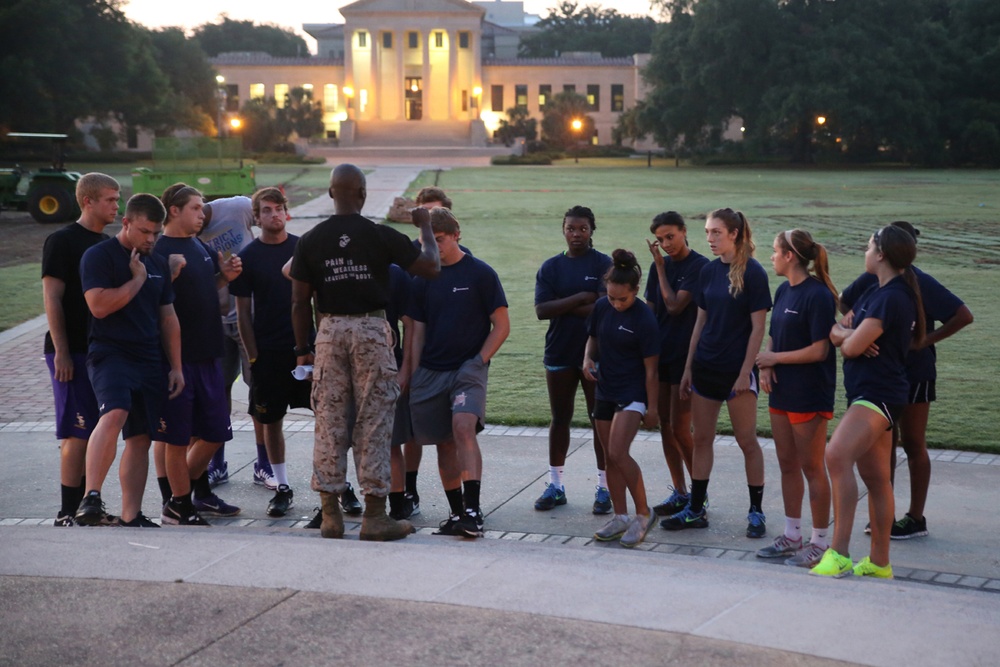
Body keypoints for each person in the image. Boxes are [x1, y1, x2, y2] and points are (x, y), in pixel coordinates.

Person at [290, 164, 439, 541]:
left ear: (329, 192)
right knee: (373, 420)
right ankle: (375, 515)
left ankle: (330, 515)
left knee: (329, 421)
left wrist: (302, 350)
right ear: (362, 194)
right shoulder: (379, 235)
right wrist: (423, 226)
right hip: (371, 330)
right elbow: (431, 267)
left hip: (329, 331)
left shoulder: (310, 240)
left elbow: (298, 301)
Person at [839, 221, 973, 540]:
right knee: (883, 444)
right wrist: (856, 327)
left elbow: (963, 315)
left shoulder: (920, 283)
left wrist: (925, 340)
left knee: (913, 443)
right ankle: (882, 514)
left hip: (915, 372)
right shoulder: (874, 280)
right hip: (885, 372)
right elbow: (845, 300)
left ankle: (915, 517)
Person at [812, 225, 923, 578]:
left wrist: (850, 336)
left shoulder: (892, 297)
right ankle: (879, 562)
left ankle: (839, 552)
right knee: (876, 477)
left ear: (881, 255)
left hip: (879, 394)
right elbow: (837, 333)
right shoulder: (876, 292)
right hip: (870, 392)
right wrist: (849, 334)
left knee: (836, 454)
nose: (865, 250)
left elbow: (851, 346)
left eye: (868, 245)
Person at [661, 208, 772, 538]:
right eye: (707, 232)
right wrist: (688, 368)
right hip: (705, 368)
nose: (709, 238)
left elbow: (757, 328)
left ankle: (755, 511)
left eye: (716, 233)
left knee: (746, 441)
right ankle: (696, 509)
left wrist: (744, 373)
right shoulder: (708, 272)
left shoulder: (753, 273)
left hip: (736, 374)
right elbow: (700, 322)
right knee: (702, 440)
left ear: (734, 234)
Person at [75, 194, 182, 527]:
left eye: (156, 233)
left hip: (149, 356)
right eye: (144, 231)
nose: (150, 239)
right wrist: (136, 279)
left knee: (141, 437)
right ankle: (91, 496)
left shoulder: (158, 261)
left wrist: (176, 366)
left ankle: (130, 515)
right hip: (111, 352)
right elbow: (99, 306)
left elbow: (168, 317)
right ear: (126, 223)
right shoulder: (99, 256)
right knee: (115, 411)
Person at [408, 207, 509, 539]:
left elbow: (502, 325)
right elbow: (417, 331)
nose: (435, 249)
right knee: (443, 444)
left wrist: (478, 360)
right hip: (431, 370)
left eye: (440, 241)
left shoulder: (480, 273)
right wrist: (412, 371)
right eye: (430, 243)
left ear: (456, 235)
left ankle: (472, 510)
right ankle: (455, 513)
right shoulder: (423, 278)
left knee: (463, 427)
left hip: (469, 368)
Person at [152, 184, 242, 526]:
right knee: (176, 437)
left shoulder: (200, 246)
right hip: (178, 358)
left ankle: (179, 497)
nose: (202, 214)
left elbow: (204, 288)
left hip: (209, 354)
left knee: (216, 432)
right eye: (195, 207)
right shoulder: (159, 250)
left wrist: (225, 277)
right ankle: (178, 504)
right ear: (174, 211)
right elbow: (154, 302)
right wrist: (170, 276)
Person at [754, 230, 838, 568]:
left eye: (775, 251)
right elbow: (776, 334)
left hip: (809, 394)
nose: (771, 256)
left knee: (812, 467)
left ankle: (819, 543)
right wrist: (765, 367)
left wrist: (774, 360)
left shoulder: (817, 296)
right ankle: (792, 535)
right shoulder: (783, 289)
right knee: (788, 463)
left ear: (790, 255)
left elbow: (820, 350)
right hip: (782, 391)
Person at [231, 187, 313, 518]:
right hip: (268, 352)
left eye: (279, 208)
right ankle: (281, 486)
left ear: (286, 212)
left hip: (305, 351)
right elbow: (242, 314)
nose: (274, 214)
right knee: (271, 420)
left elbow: (316, 301)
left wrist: (314, 347)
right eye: (267, 210)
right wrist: (253, 357)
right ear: (257, 216)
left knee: (327, 418)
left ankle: (337, 483)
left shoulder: (302, 249)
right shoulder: (248, 256)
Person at [42, 173, 118, 526]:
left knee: (97, 428)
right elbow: (52, 297)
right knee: (77, 430)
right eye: (110, 200)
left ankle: (90, 506)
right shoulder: (61, 241)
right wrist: (61, 351)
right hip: (70, 351)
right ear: (87, 201)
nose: (116, 206)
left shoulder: (105, 243)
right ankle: (66, 512)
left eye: (118, 200)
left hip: (99, 350)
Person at [533, 206, 612, 514]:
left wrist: (561, 305)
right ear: (562, 230)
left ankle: (604, 488)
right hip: (559, 351)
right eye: (570, 228)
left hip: (596, 354)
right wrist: (582, 297)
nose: (576, 234)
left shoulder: (603, 263)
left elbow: (604, 307)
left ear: (592, 230)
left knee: (599, 420)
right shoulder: (551, 266)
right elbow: (542, 311)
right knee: (559, 419)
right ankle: (555, 485)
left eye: (582, 229)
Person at [583, 249, 660, 548]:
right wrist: (587, 359)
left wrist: (652, 408)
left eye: (622, 299)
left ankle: (643, 514)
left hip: (633, 392)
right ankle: (620, 516)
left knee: (618, 452)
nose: (616, 304)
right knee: (608, 455)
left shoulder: (645, 319)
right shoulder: (602, 307)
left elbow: (651, 371)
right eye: (611, 297)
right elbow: (592, 338)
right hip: (605, 388)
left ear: (635, 291)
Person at [197, 195, 273, 490]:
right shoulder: (183, 236)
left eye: (196, 208)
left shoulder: (238, 206)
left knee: (259, 391)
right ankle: (217, 462)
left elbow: (267, 223)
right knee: (217, 393)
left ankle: (264, 462)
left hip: (251, 317)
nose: (195, 219)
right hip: (213, 321)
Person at [644, 211, 709, 519]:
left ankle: (699, 495)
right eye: (660, 239)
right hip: (661, 355)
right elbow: (651, 313)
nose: (666, 244)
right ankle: (680, 491)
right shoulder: (659, 267)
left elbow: (673, 305)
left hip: (686, 357)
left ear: (684, 231)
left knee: (681, 428)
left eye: (670, 236)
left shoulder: (699, 267)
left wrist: (659, 267)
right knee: (665, 428)